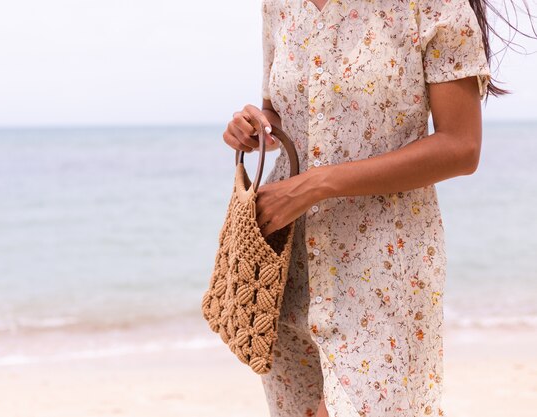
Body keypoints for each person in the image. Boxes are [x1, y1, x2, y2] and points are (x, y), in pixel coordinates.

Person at [222, 1, 535, 416]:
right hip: (285, 275)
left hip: (383, 283)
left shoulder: (433, 5)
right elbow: (282, 109)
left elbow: (461, 147)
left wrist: (316, 185)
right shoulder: (280, 5)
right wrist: (254, 125)